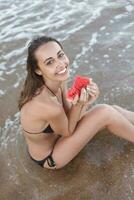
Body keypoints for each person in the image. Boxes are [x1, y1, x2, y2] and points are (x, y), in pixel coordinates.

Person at [18, 36, 134, 170]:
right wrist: (80, 104)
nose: (60, 64)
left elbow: (69, 115)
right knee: (104, 112)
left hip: (59, 135)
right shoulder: (46, 104)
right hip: (50, 157)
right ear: (38, 70)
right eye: (50, 62)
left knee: (114, 110)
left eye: (60, 55)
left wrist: (86, 101)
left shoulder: (57, 82)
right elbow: (67, 131)